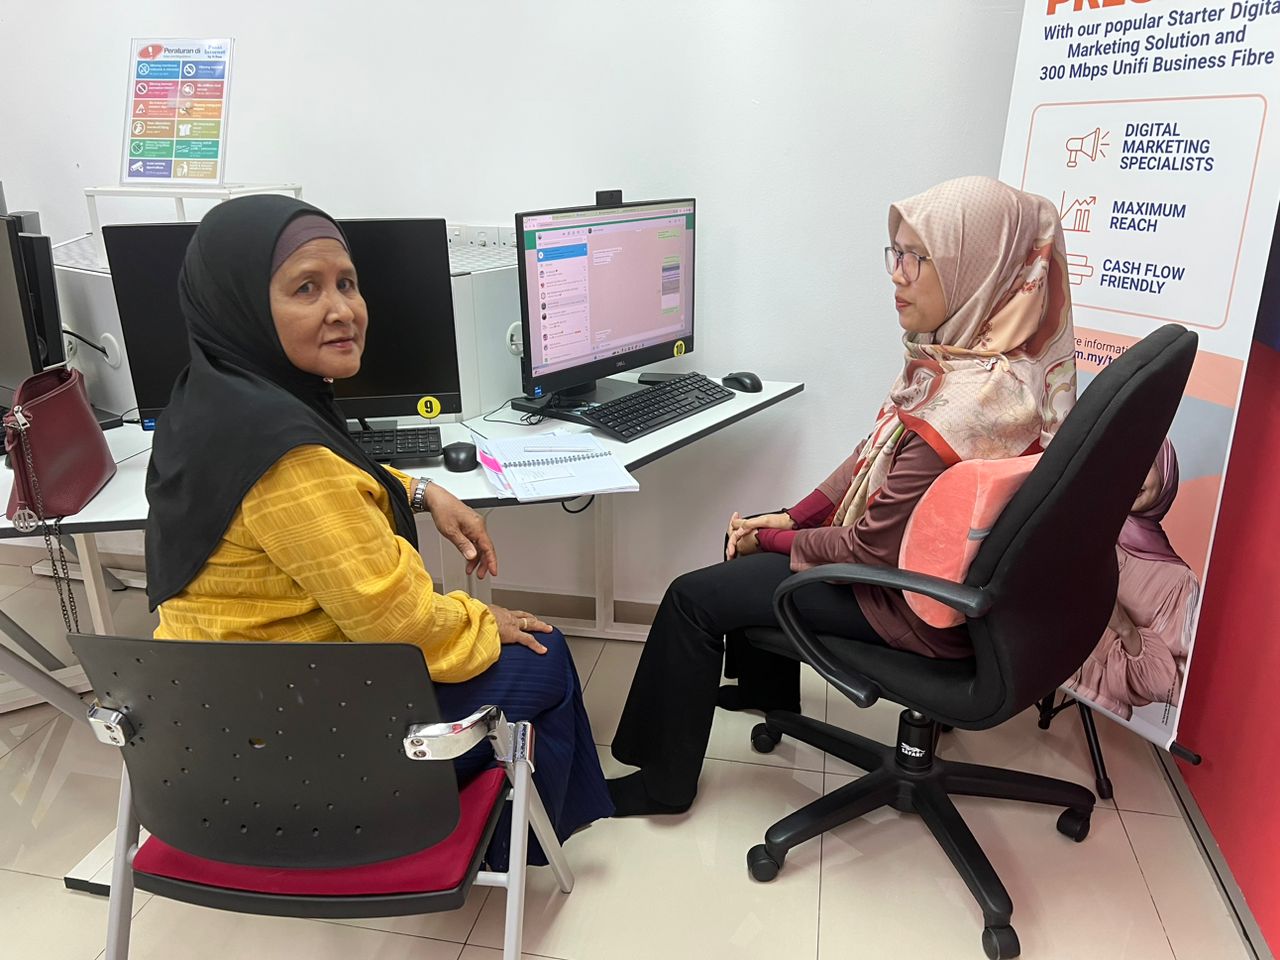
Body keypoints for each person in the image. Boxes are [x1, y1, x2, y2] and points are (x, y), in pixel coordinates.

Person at [144, 195, 612, 866]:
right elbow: (402, 626)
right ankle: (515, 849)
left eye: (347, 283)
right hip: (302, 743)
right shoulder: (291, 461)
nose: (343, 309)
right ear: (242, 303)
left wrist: (422, 489)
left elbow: (340, 476)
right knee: (545, 654)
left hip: (216, 715)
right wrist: (482, 619)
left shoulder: (212, 398)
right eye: (306, 288)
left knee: (507, 644)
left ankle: (516, 825)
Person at [608, 176, 1078, 816]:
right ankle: (766, 693)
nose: (897, 275)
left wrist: (771, 538)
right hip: (959, 590)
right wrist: (790, 515)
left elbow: (866, 549)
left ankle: (661, 783)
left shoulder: (962, 407)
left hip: (909, 603)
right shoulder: (996, 367)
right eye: (896, 253)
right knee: (758, 546)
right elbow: (870, 453)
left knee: (692, 598)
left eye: (918, 258)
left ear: (976, 269)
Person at [1067, 438, 1200, 720]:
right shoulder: (1084, 524)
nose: (1132, 475)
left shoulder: (1178, 582)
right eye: (1125, 465)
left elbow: (1169, 686)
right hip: (1030, 669)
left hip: (1096, 709)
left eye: (1146, 464)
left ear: (1166, 474)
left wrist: (1124, 627)